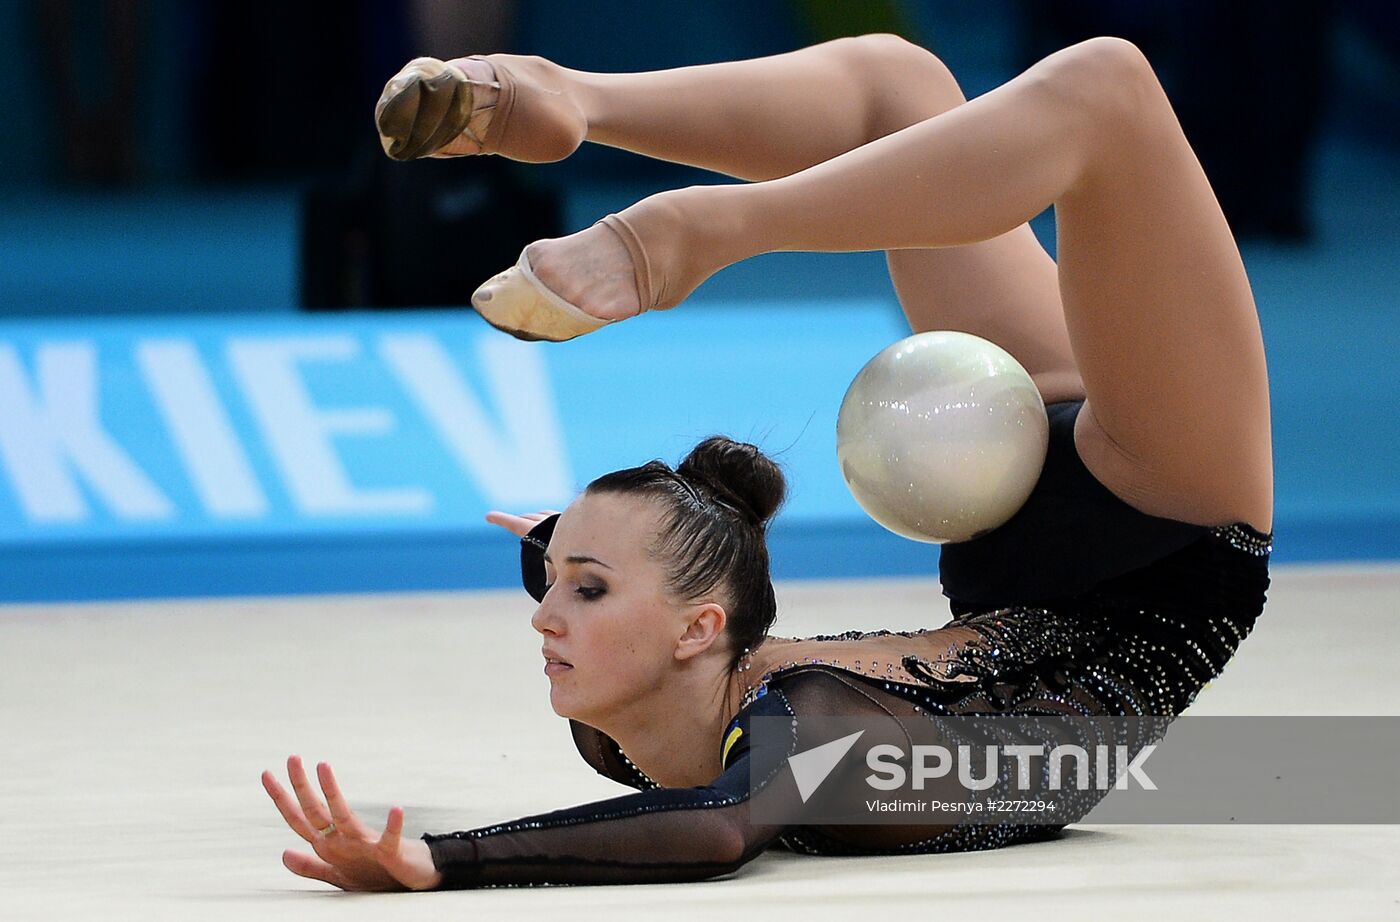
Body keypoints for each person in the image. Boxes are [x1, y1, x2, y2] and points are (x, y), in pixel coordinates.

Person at [261, 34, 1274, 891]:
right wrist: (446, 861)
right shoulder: (807, 719)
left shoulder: (618, 732)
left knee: (897, 85)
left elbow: (681, 689)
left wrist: (554, 548)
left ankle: (571, 98)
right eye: (573, 588)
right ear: (700, 628)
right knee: (1105, 91)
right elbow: (715, 829)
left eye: (576, 588)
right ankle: (709, 227)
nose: (544, 615)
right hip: (1166, 535)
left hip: (1006, 517)